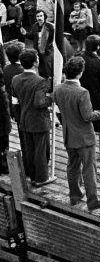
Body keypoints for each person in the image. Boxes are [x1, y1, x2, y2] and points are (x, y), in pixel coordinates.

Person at [52, 55, 100, 211]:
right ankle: (92, 200)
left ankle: (74, 196)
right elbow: (88, 116)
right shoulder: (82, 93)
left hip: (69, 135)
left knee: (72, 167)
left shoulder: (58, 89)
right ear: (80, 73)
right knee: (89, 169)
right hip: (84, 138)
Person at [11, 49, 54, 187]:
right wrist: (51, 98)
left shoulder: (15, 79)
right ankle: (42, 178)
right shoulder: (40, 81)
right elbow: (40, 103)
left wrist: (19, 118)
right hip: (39, 121)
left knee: (29, 150)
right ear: (35, 62)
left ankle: (33, 176)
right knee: (41, 150)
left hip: (24, 119)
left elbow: (15, 102)